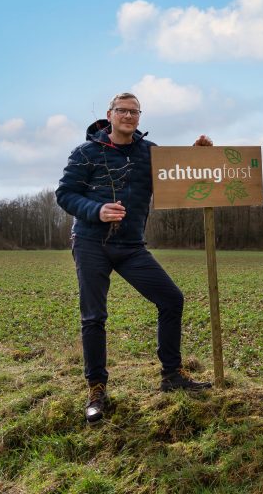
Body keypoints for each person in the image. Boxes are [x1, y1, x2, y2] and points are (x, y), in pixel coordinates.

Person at [56, 92, 214, 424]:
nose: (128, 116)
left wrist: (197, 155)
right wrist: (97, 210)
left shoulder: (150, 153)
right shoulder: (86, 153)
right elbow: (65, 194)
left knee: (171, 299)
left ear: (139, 117)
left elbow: (179, 175)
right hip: (90, 243)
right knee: (94, 318)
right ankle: (97, 389)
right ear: (109, 115)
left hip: (131, 246)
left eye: (134, 112)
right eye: (122, 111)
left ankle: (172, 375)